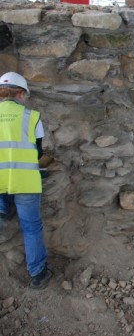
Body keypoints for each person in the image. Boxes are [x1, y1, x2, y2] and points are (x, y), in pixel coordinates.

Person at [0, 71, 52, 289]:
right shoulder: (32, 117)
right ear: (21, 94)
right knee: (31, 228)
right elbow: (38, 153)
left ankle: (3, 208)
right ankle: (38, 273)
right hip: (26, 182)